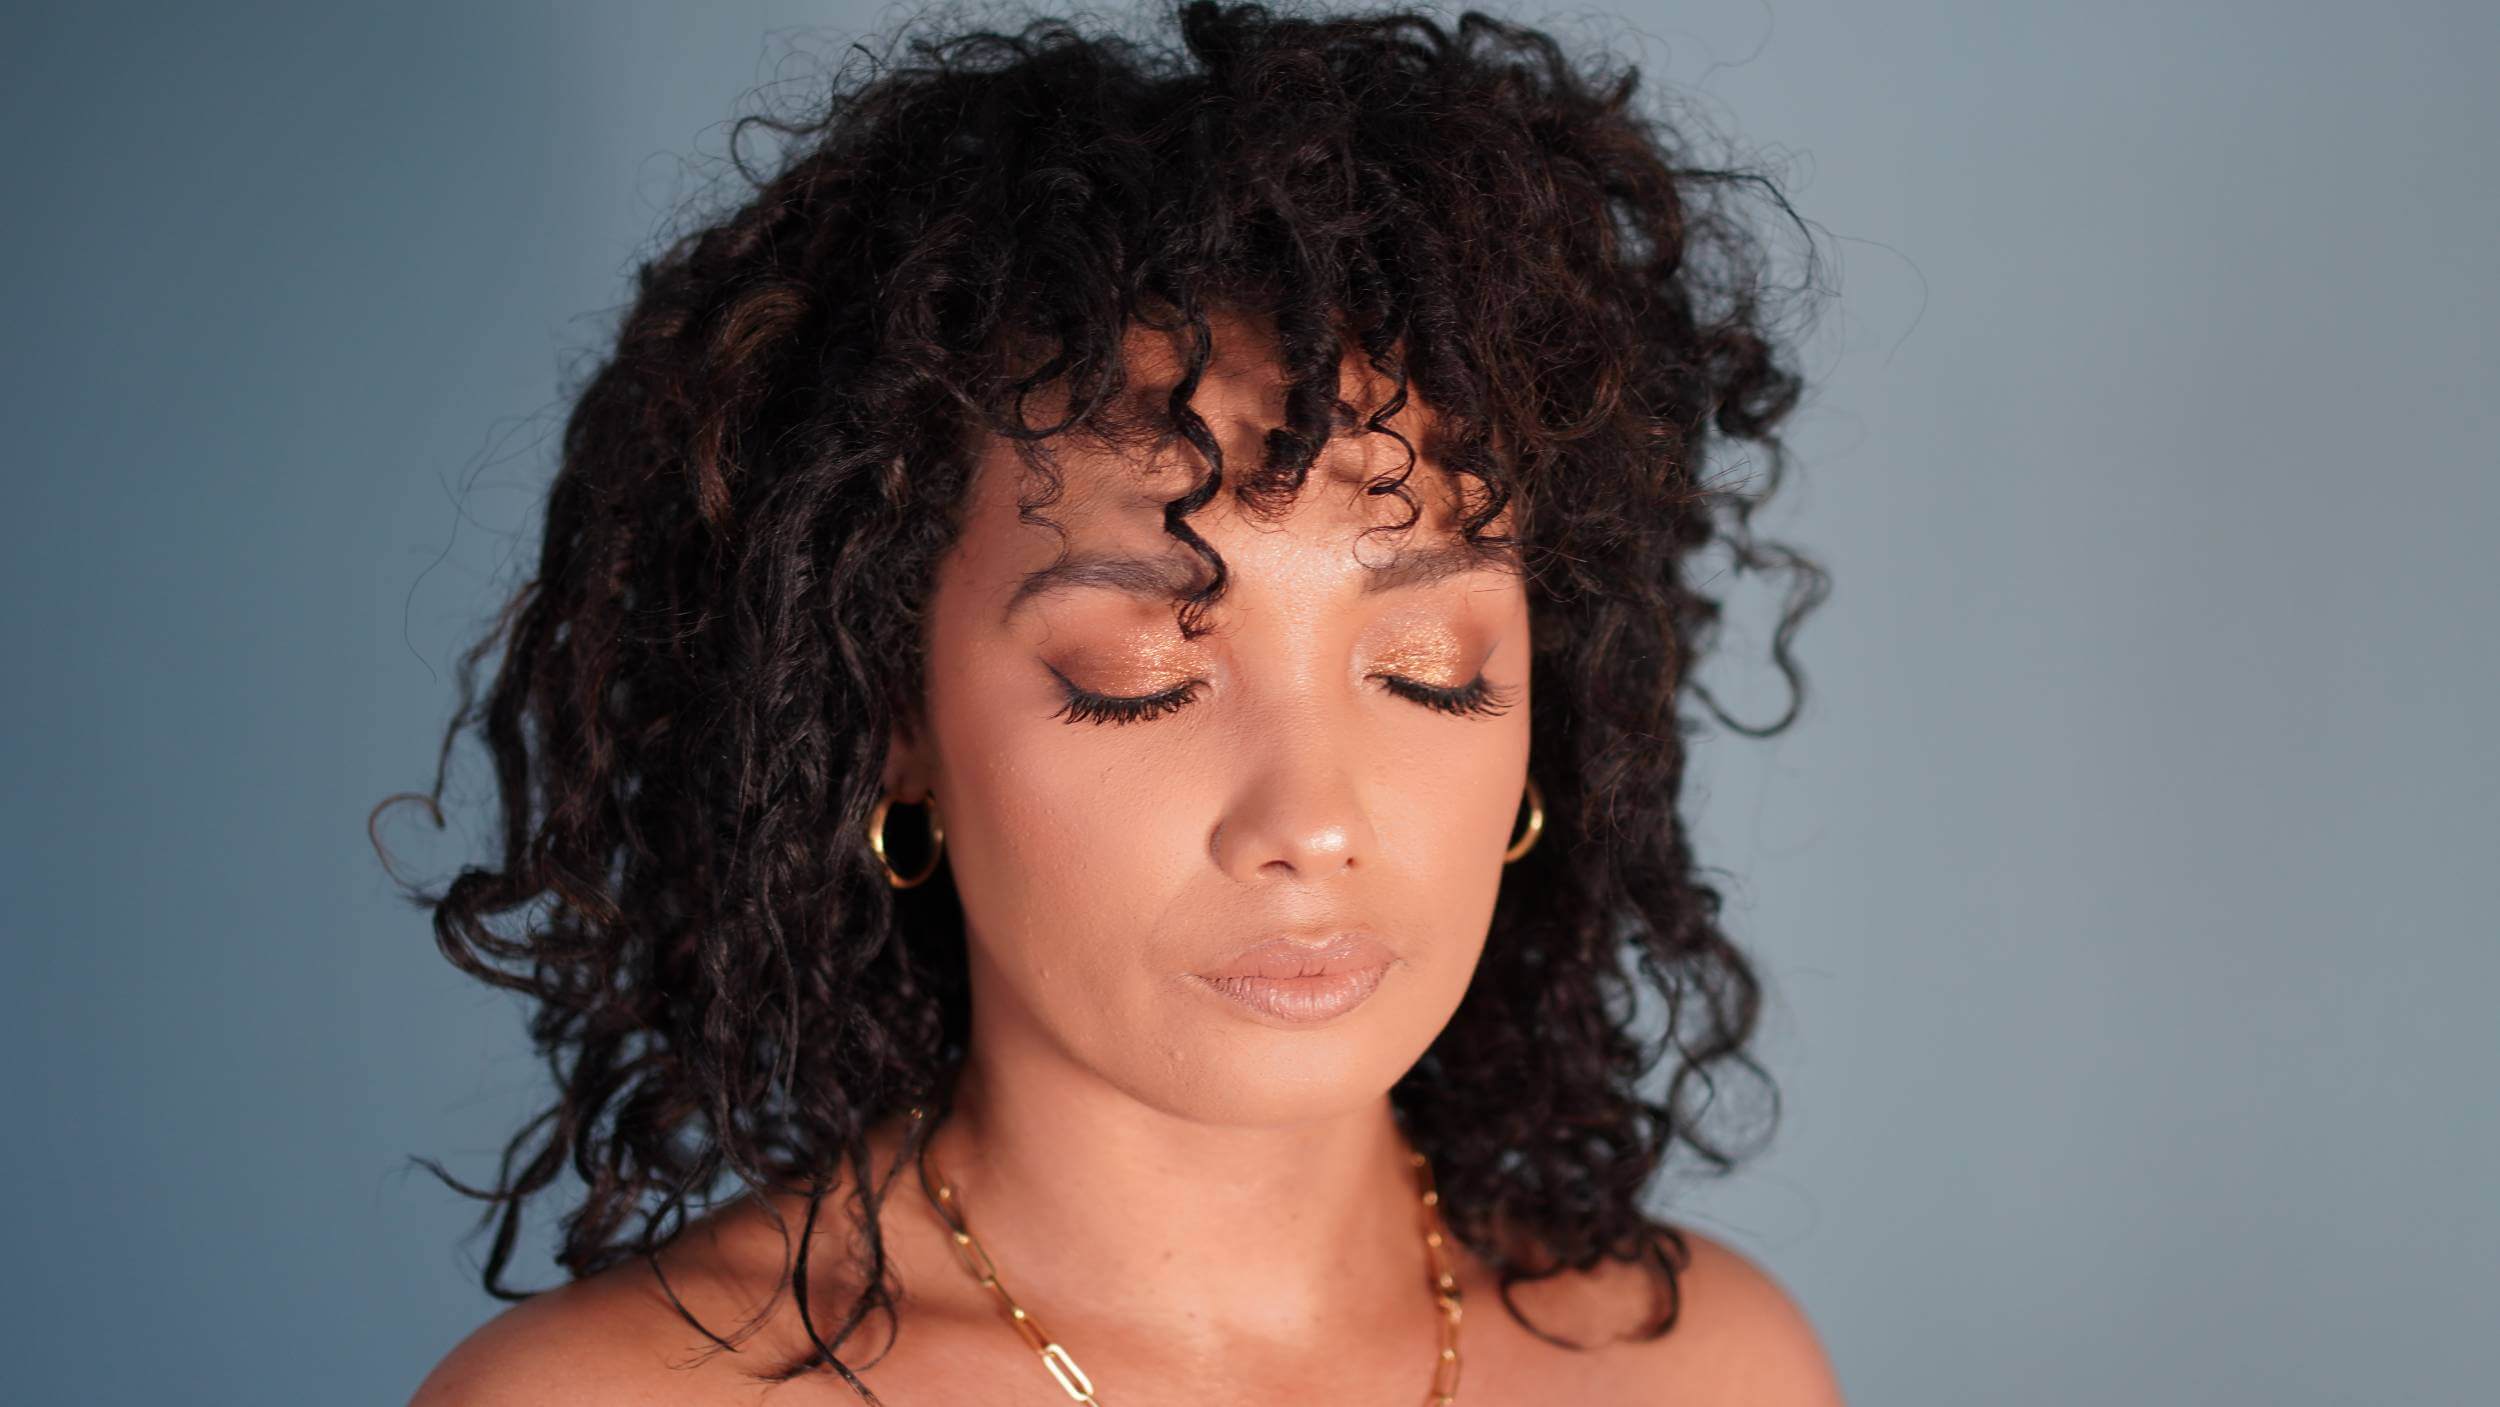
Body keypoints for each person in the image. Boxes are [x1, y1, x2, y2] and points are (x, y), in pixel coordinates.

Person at [390, 2, 1841, 1401]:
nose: (1312, 822)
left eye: (1429, 673)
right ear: (891, 718)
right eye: (1136, 680)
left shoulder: (1709, 1374)